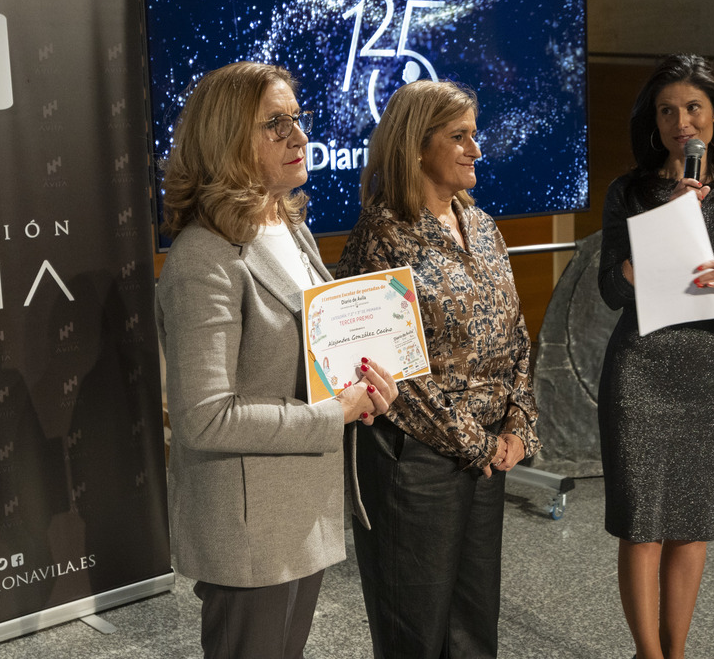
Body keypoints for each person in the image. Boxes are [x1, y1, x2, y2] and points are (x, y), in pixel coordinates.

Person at [155, 61, 398, 659]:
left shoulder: (290, 228)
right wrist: (331, 416)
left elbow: (313, 358)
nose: (298, 137)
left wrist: (364, 388)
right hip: (250, 530)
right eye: (274, 125)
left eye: (297, 119)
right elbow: (204, 417)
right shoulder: (203, 258)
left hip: (303, 509)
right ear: (226, 139)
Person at [336, 79, 541, 659]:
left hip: (487, 458)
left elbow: (514, 334)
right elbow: (386, 370)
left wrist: (519, 426)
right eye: (459, 136)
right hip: (414, 463)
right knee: (415, 636)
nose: (476, 148)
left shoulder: (480, 224)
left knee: (474, 632)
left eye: (474, 135)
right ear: (415, 147)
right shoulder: (381, 237)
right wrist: (477, 443)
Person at [597, 54, 714, 659]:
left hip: (707, 374)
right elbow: (611, 290)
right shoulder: (630, 192)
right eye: (667, 110)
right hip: (640, 370)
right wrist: (670, 218)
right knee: (643, 525)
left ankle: (677, 654)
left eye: (693, 108)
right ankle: (647, 654)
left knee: (692, 527)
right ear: (654, 120)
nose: (681, 122)